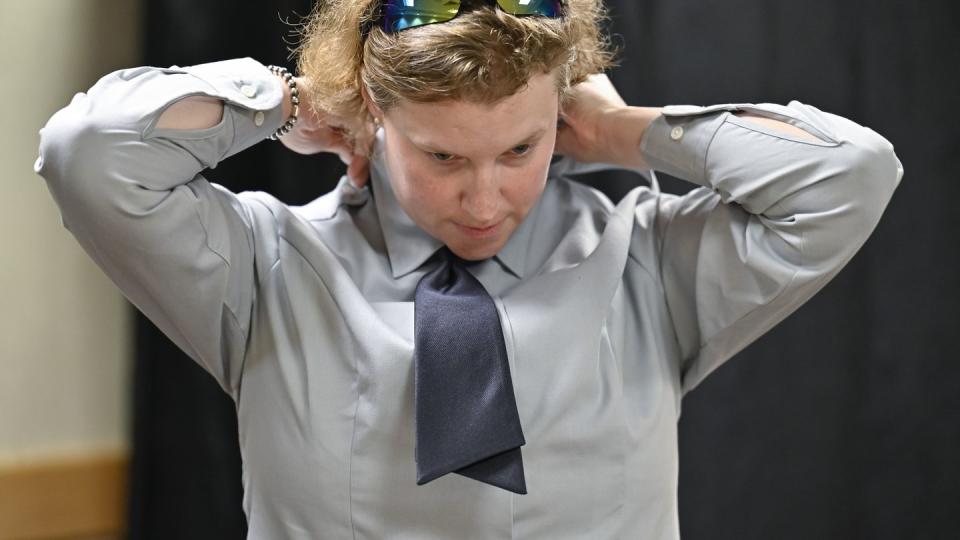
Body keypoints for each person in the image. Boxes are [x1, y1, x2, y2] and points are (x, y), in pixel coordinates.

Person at [34, 0, 904, 538]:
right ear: (371, 114)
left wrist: (618, 131)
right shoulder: (266, 270)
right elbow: (86, 152)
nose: (486, 200)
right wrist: (289, 100)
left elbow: (849, 174)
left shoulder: (645, 262)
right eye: (444, 157)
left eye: (520, 148)